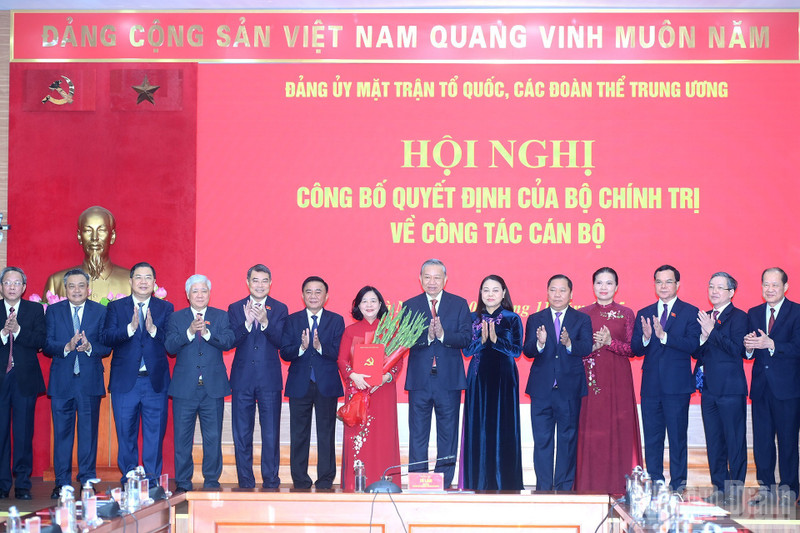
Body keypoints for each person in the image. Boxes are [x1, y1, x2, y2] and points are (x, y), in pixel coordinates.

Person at [102, 262, 174, 486]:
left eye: (148, 278)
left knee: (154, 435)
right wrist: (129, 329)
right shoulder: (116, 308)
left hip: (155, 383)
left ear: (154, 283)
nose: (144, 282)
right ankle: (130, 481)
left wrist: (153, 330)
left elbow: (171, 343)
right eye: (139, 278)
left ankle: (153, 483)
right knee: (126, 435)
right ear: (131, 281)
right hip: (126, 383)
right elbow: (106, 338)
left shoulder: (166, 308)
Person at [43, 268, 111, 499]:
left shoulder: (100, 311)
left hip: (89, 381)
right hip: (62, 381)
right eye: (71, 286)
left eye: (81, 285)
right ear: (65, 289)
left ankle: (87, 481)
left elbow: (106, 346)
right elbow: (47, 344)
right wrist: (68, 346)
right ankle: (61, 482)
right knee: (62, 434)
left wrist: (90, 347)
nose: (76, 290)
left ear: (88, 289)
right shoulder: (53, 311)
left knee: (88, 434)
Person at [631, 265, 700, 492]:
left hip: (677, 386)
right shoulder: (644, 312)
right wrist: (646, 337)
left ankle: (678, 484)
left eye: (668, 281)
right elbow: (636, 349)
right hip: (651, 386)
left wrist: (664, 336)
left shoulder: (690, 312)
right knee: (652, 438)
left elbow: (693, 346)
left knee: (678, 437)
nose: (663, 286)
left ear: (678, 284)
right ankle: (656, 483)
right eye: (659, 282)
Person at [404, 259, 471, 489]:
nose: (432, 282)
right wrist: (428, 337)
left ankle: (443, 481)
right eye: (427, 277)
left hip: (448, 381)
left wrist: (443, 335)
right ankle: (418, 480)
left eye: (437, 277)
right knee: (418, 435)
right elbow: (406, 340)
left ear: (445, 279)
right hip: (419, 381)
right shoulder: (410, 305)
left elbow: (466, 338)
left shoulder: (459, 304)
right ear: (420, 279)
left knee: (448, 435)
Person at [575, 267, 643, 494]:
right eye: (599, 283)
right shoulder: (582, 314)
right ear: (592, 286)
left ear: (616, 286)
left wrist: (610, 342)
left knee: (619, 428)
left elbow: (633, 349)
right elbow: (576, 351)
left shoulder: (626, 313)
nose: (603, 288)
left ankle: (620, 485)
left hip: (619, 380)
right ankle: (589, 484)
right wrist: (594, 347)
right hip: (591, 380)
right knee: (591, 429)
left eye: (609, 283)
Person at [165, 275, 234, 492]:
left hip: (212, 389)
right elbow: (170, 346)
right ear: (188, 295)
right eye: (195, 291)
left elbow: (228, 342)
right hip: (184, 389)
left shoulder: (221, 316)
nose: (200, 295)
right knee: (182, 439)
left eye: (203, 290)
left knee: (212, 438)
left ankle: (212, 481)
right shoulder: (176, 318)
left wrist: (207, 333)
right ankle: (184, 483)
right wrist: (189, 332)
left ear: (209, 294)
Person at [523, 274, 592, 491]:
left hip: (569, 390)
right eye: (553, 289)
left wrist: (570, 343)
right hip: (542, 390)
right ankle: (543, 487)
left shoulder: (581, 319)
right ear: (547, 292)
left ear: (571, 294)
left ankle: (563, 488)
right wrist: (540, 344)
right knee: (542, 441)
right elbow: (527, 351)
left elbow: (586, 348)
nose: (558, 294)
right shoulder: (535, 318)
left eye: (562, 290)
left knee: (567, 441)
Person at [227, 264, 288, 489]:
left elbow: (283, 342)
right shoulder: (235, 308)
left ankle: (271, 480)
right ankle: (245, 480)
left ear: (270, 283)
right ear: (248, 282)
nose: (260, 285)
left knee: (271, 433)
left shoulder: (280, 309)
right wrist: (245, 323)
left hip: (269, 380)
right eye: (255, 280)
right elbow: (230, 341)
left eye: (264, 281)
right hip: (242, 380)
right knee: (242, 434)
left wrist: (264, 323)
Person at [280, 276, 344, 489]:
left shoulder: (336, 320)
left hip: (326, 384)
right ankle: (300, 479)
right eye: (309, 291)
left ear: (326, 296)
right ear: (302, 295)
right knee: (299, 434)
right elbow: (285, 352)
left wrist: (318, 346)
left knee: (326, 434)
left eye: (318, 292)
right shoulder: (292, 320)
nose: (313, 296)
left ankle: (325, 480)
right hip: (300, 383)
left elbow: (339, 353)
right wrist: (301, 347)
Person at [461, 274, 523, 491]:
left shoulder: (512, 318)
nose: (490, 294)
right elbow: (467, 350)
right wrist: (482, 340)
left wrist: (496, 341)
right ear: (480, 293)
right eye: (486, 290)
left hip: (504, 379)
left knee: (504, 428)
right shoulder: (472, 318)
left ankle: (506, 482)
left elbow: (517, 351)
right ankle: (477, 481)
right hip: (478, 378)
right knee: (478, 428)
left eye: (495, 290)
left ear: (503, 293)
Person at [337, 286, 402, 491]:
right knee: (359, 436)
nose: (369, 305)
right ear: (358, 305)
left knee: (383, 436)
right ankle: (355, 483)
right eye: (364, 301)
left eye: (373, 301)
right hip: (358, 391)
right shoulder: (350, 331)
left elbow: (399, 361)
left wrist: (386, 377)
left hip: (382, 392)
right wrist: (353, 376)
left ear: (381, 304)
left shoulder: (390, 329)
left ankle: (385, 483)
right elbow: (341, 359)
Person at [744, 267, 800, 505]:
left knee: (788, 440)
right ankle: (765, 487)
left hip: (788, 388)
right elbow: (748, 351)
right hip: (761, 388)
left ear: (785, 287)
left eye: (775, 285)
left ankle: (789, 489)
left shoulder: (797, 312)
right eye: (766, 284)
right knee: (762, 441)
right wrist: (748, 347)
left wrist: (772, 343)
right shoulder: (754, 312)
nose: (770, 289)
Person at [694, 272, 748, 505]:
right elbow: (697, 352)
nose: (714, 291)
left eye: (719, 287)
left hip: (731, 389)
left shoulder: (740, 317)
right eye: (710, 286)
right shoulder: (704, 317)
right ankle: (719, 486)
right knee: (714, 440)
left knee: (734, 440)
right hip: (709, 389)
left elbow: (737, 350)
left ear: (731, 292)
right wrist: (703, 337)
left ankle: (736, 489)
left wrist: (711, 332)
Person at [0, 267, 46, 500]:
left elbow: (41, 341)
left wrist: (17, 331)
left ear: (24, 287)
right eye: (7, 283)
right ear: (1, 287)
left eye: (16, 283)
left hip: (24, 380)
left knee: (23, 433)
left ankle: (23, 485)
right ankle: (1, 483)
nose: (11, 287)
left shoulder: (35, 310)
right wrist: (2, 334)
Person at [43, 206, 131, 302]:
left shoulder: (131, 281)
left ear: (112, 236)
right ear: (80, 236)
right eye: (88, 231)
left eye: (101, 230)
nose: (94, 238)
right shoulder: (56, 282)